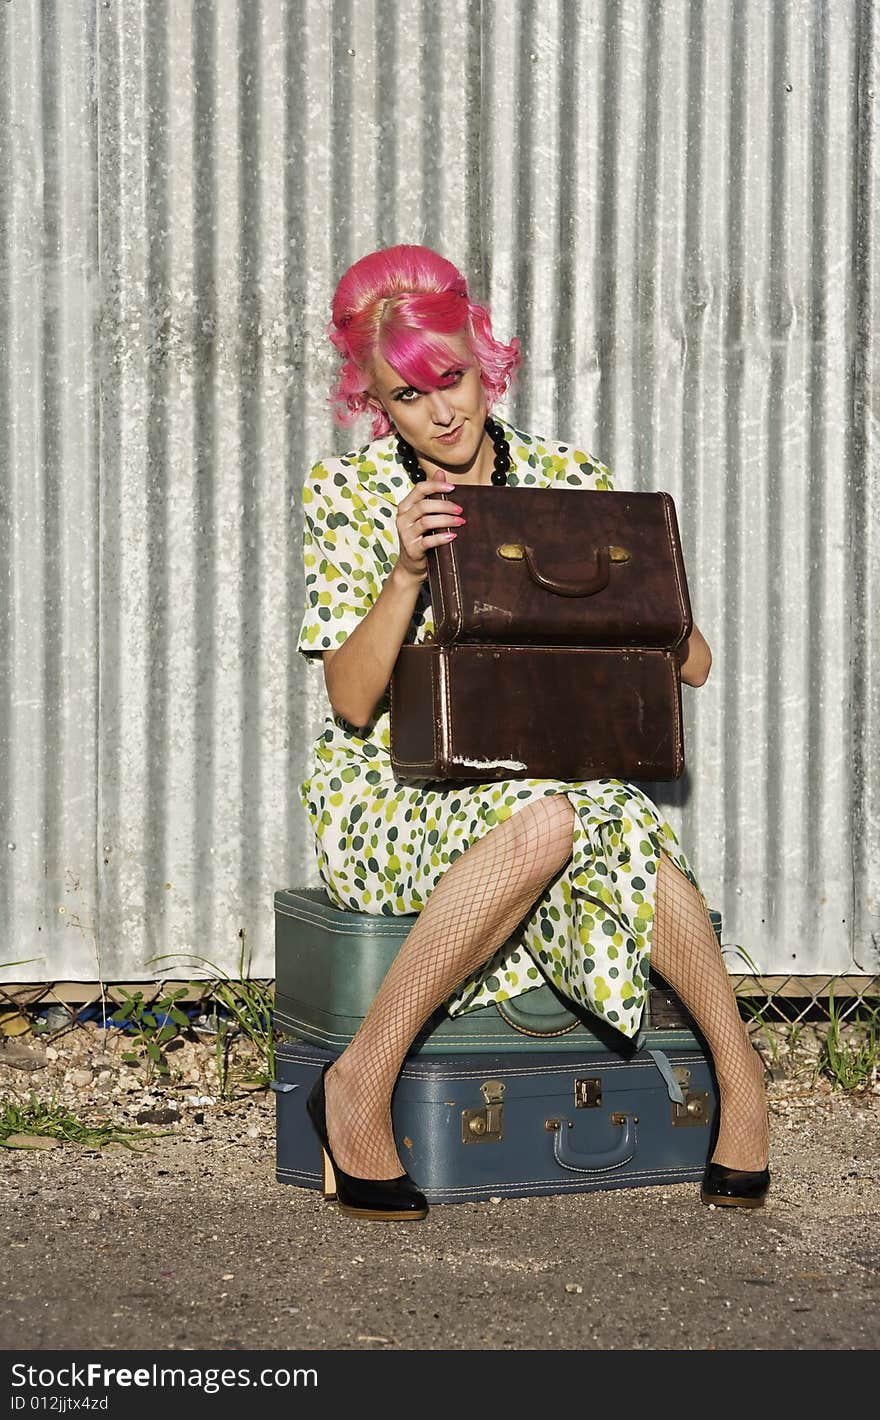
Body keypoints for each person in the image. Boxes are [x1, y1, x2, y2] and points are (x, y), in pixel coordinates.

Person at [296, 243, 769, 1221]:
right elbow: (348, 702)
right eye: (407, 395)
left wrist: (622, 571)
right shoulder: (345, 494)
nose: (441, 412)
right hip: (390, 788)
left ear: (485, 357)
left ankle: (743, 1074)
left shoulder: (566, 474)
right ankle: (358, 1082)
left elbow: (693, 666)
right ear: (376, 404)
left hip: (543, 772)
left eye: (453, 377)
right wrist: (406, 576)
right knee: (558, 817)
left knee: (599, 806)